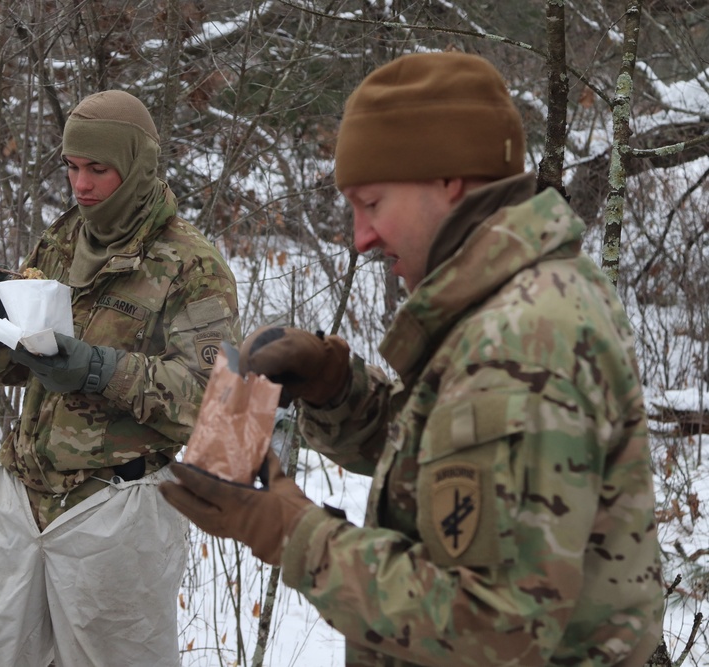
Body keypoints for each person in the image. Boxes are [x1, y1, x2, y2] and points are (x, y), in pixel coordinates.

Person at [160, 52, 665, 667]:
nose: (360, 237)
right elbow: (459, 465)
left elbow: (493, 626)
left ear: (448, 180)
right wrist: (337, 389)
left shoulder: (522, 337)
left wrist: (292, 532)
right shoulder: (525, 298)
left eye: (370, 203)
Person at [0, 90, 241, 667]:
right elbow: (18, 367)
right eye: (72, 167)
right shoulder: (64, 239)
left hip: (114, 510)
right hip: (21, 491)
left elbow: (217, 409)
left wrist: (98, 369)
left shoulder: (191, 266)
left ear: (138, 165)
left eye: (99, 168)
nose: (82, 184)